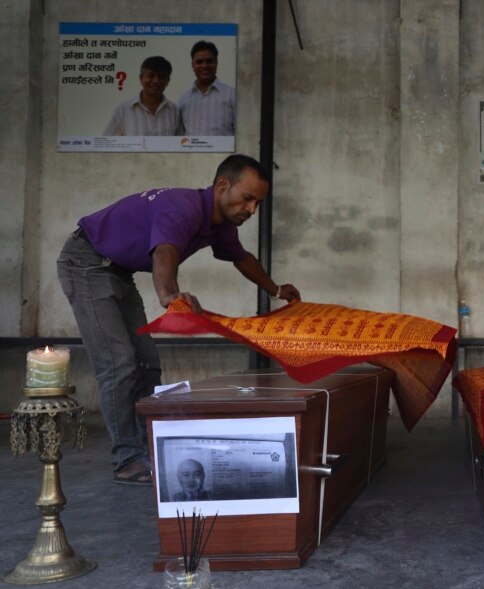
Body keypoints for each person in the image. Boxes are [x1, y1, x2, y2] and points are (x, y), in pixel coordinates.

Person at [56, 154, 301, 486]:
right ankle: (127, 458)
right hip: (86, 263)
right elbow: (165, 250)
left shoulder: (220, 224)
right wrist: (170, 295)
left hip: (117, 272)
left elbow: (241, 258)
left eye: (258, 202)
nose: (252, 209)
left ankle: (149, 449)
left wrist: (275, 289)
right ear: (222, 186)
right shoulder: (183, 206)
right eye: (248, 198)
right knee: (118, 364)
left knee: (146, 365)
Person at [103, 56, 180, 136]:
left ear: (167, 81)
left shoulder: (174, 111)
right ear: (141, 78)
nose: (156, 81)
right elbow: (106, 142)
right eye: (151, 75)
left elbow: (181, 145)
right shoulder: (124, 109)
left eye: (161, 77)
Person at [177, 40, 236, 136]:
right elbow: (179, 137)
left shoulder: (232, 96)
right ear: (193, 65)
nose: (204, 66)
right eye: (199, 62)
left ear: (216, 63)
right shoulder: (183, 101)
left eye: (209, 61)